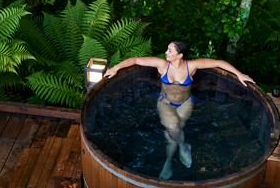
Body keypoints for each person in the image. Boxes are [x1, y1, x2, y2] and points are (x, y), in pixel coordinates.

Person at [103, 41, 256, 179]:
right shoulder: (162, 65)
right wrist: (116, 68)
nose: (166, 52)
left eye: (170, 51)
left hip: (185, 103)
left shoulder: (191, 66)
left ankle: (171, 158)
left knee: (174, 131)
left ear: (180, 55)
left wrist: (239, 74)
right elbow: (136, 60)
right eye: (167, 49)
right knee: (173, 128)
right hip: (165, 103)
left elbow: (218, 62)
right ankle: (179, 150)